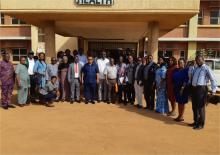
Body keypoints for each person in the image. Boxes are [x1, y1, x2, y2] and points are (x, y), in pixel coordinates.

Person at [190, 55, 217, 130]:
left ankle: (201, 124)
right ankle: (195, 121)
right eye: (196, 59)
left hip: (201, 89)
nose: (197, 61)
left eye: (198, 59)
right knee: (194, 106)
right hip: (194, 89)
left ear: (202, 60)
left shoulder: (206, 68)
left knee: (200, 107)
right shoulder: (196, 68)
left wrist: (213, 91)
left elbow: (213, 79)